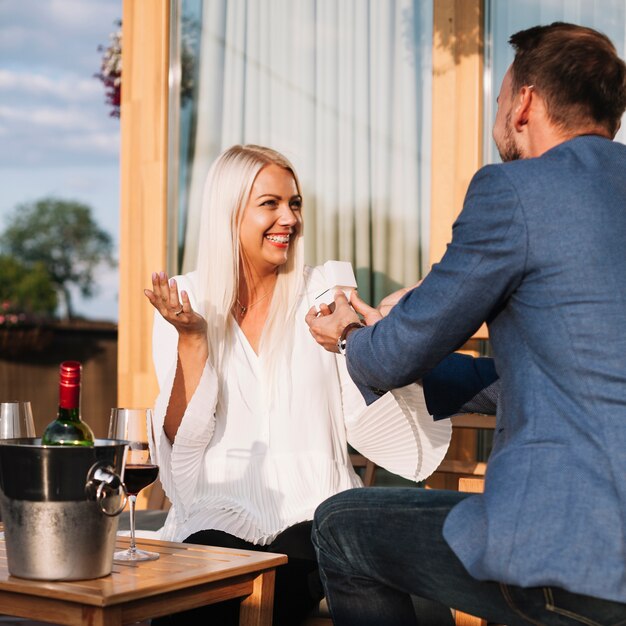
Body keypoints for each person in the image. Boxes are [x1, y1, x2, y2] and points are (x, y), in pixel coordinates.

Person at [306, 22, 626, 625]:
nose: (497, 111)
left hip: (574, 554)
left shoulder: (514, 190)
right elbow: (552, 374)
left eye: (499, 97)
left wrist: (352, 336)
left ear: (525, 101)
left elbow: (389, 355)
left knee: (344, 525)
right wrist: (424, 376)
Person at [143, 144, 454, 625]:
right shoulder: (186, 301)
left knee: (279, 575)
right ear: (229, 212)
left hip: (316, 514)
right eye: (270, 204)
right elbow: (181, 456)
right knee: (193, 596)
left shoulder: (324, 295)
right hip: (216, 514)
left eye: (295, 203)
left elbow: (365, 419)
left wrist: (367, 343)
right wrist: (192, 340)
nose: (289, 217)